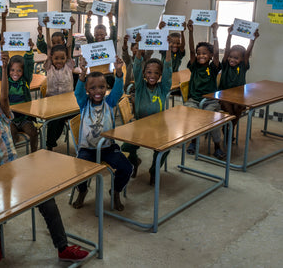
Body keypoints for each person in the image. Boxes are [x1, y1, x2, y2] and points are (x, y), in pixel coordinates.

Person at [0, 52, 89, 265]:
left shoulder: (3, 115)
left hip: (14, 172)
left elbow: (4, 97)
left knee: (47, 199)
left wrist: (4, 68)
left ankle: (63, 247)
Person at [72, 56, 132, 211]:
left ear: (106, 87)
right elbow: (78, 92)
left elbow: (118, 89)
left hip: (107, 148)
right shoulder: (84, 103)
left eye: (101, 87)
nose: (97, 91)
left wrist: (118, 72)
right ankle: (83, 191)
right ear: (87, 90)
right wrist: (83, 75)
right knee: (78, 170)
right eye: (92, 88)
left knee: (126, 167)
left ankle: (116, 191)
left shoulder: (109, 102)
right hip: (87, 149)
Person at [121, 36, 173, 185]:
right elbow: (136, 67)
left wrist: (168, 48)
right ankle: (134, 161)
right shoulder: (140, 87)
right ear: (144, 74)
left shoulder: (162, 89)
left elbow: (168, 69)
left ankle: (153, 171)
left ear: (160, 75)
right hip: (139, 126)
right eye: (149, 72)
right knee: (126, 147)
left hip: (159, 128)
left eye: (156, 73)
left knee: (165, 148)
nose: (152, 76)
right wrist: (138, 45)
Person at [185, 20, 224, 159]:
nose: (201, 55)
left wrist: (215, 33)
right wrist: (190, 32)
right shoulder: (194, 66)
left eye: (204, 53)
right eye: (199, 53)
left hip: (210, 101)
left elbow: (217, 52)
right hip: (194, 100)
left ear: (211, 55)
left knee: (211, 120)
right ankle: (193, 141)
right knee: (190, 116)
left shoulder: (213, 67)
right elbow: (190, 50)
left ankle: (217, 146)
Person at [219, 26, 259, 135]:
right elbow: (227, 50)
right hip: (224, 95)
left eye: (236, 58)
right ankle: (228, 129)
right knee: (230, 112)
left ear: (242, 59)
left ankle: (230, 129)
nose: (232, 59)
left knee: (238, 109)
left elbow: (247, 53)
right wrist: (229, 35)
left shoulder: (243, 66)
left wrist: (253, 40)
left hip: (239, 96)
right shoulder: (226, 65)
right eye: (231, 57)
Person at [43, 20, 76, 151]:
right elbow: (49, 48)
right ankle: (50, 144)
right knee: (55, 121)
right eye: (56, 58)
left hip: (69, 104)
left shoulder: (68, 65)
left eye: (62, 58)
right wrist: (46, 28)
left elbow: (69, 45)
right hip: (53, 105)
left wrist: (71, 27)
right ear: (51, 58)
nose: (59, 61)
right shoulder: (49, 66)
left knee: (80, 115)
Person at [7, 38, 39, 153]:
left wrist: (30, 51)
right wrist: (2, 50)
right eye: (12, 70)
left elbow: (29, 66)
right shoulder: (6, 82)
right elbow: (3, 68)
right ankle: (11, 156)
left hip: (24, 118)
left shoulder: (25, 81)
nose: (15, 73)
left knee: (33, 133)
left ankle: (34, 154)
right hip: (11, 119)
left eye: (19, 71)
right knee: (11, 135)